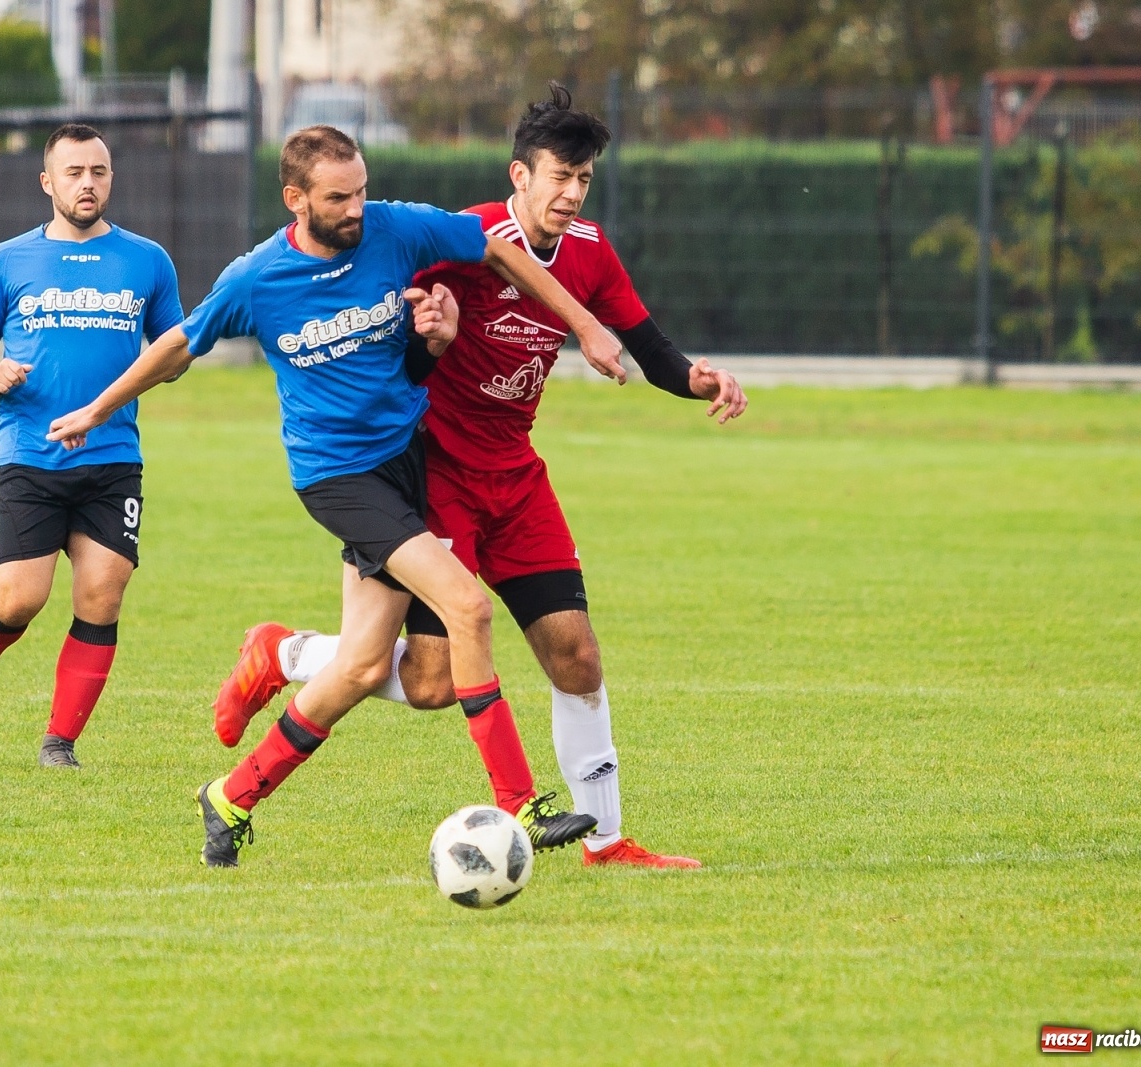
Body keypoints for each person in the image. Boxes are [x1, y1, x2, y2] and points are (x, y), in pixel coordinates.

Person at [47, 124, 629, 867]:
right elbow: (178, 346)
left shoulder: (391, 226)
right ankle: (520, 802)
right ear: (296, 199)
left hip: (408, 463)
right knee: (469, 607)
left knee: (375, 669)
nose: (356, 207)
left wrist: (580, 324)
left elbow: (492, 246)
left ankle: (232, 794)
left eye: (360, 189)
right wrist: (99, 408)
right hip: (339, 479)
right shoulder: (258, 278)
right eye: (337, 197)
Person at [212, 85, 748, 868]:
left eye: (584, 180)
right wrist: (430, 337)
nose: (570, 194)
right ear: (519, 176)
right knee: (427, 681)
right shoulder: (458, 241)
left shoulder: (592, 252)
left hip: (518, 480)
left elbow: (646, 344)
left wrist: (697, 379)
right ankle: (291, 655)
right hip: (437, 477)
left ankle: (606, 840)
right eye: (558, 177)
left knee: (578, 655)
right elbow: (385, 350)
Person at [0, 122, 183, 769]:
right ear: (48, 182)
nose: (87, 183)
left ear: (111, 179)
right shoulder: (6, 260)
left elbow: (174, 352)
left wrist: (161, 363)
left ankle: (59, 743)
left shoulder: (147, 261)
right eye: (73, 172)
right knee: (20, 597)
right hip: (28, 455)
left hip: (111, 459)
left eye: (98, 171)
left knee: (103, 591)